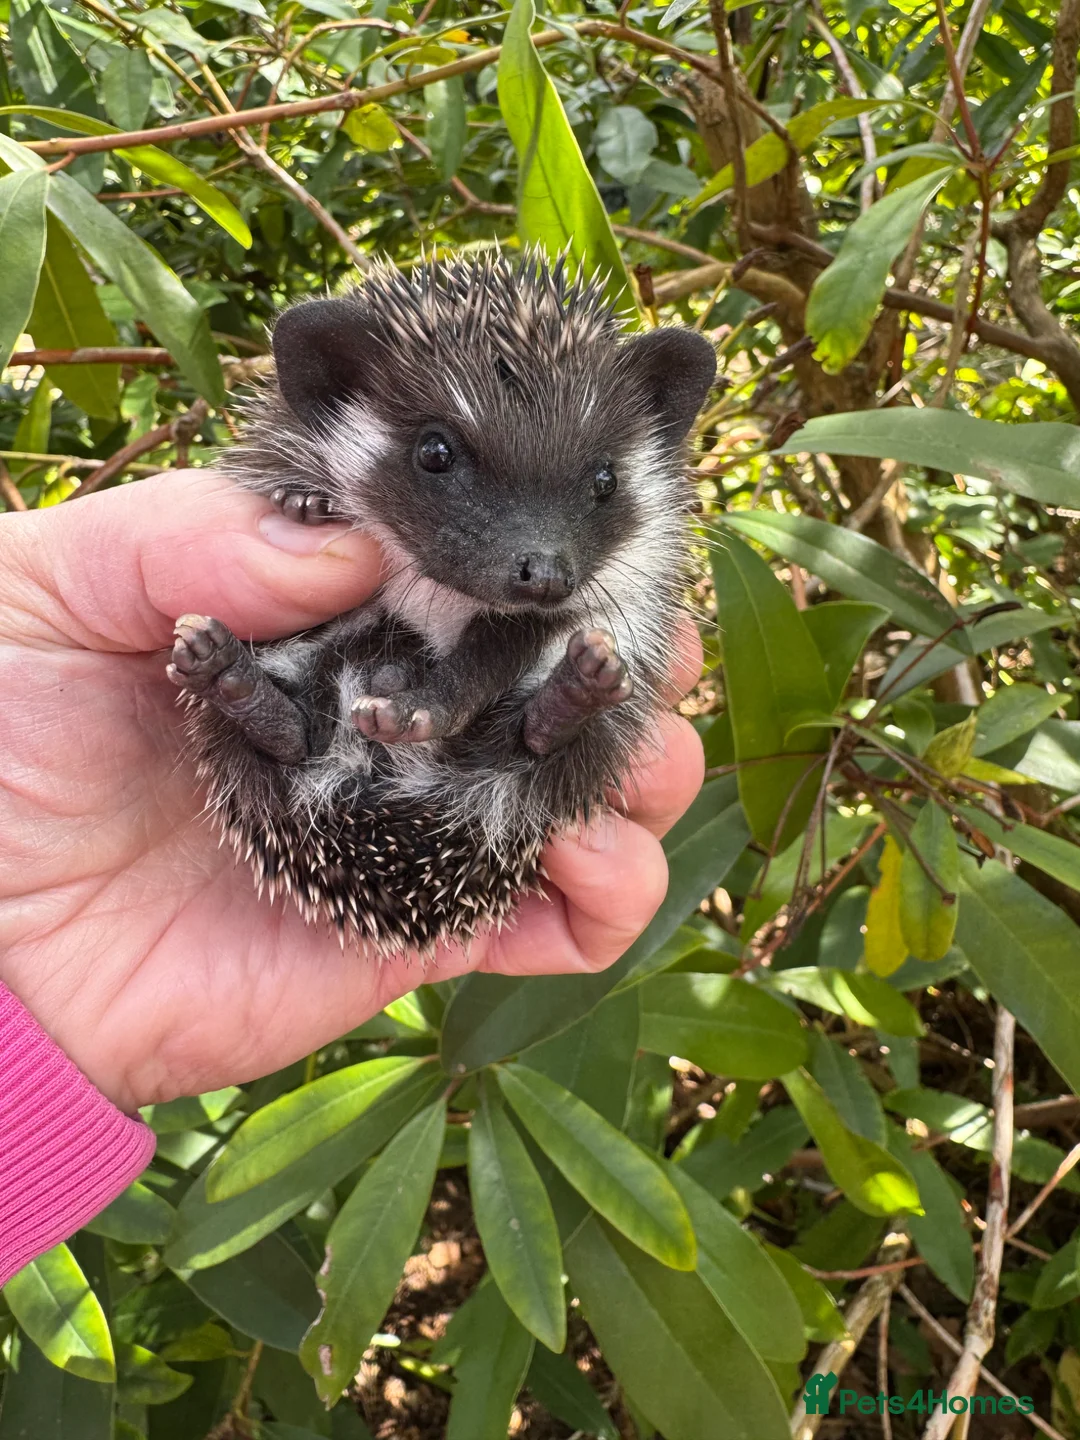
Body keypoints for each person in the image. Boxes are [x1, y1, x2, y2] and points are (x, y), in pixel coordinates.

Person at [0, 468, 704, 1283]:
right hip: (343, 722)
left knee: (524, 748)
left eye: (596, 481)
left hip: (424, 766)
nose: (539, 557)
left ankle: (525, 721)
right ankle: (284, 703)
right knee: (337, 715)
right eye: (438, 457)